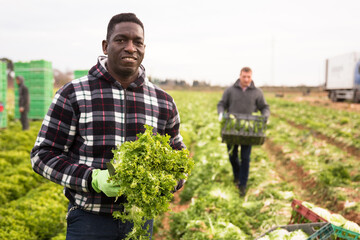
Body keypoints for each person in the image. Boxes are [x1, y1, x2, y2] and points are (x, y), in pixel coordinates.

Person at [30, 13, 186, 240]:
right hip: (88, 221)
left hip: (140, 221)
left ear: (144, 48)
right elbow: (42, 156)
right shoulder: (73, 93)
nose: (130, 47)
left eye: (137, 42)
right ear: (105, 46)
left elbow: (179, 158)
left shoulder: (163, 102)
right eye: (121, 40)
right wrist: (92, 179)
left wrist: (168, 182)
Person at [217, 67, 270, 197]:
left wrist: (265, 117)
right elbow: (222, 104)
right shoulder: (230, 91)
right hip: (232, 128)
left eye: (248, 77)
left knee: (245, 158)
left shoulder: (257, 92)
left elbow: (264, 107)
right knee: (232, 156)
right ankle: (237, 175)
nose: (246, 79)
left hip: (248, 130)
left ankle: (242, 185)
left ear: (251, 77)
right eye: (244, 76)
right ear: (240, 76)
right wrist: (221, 114)